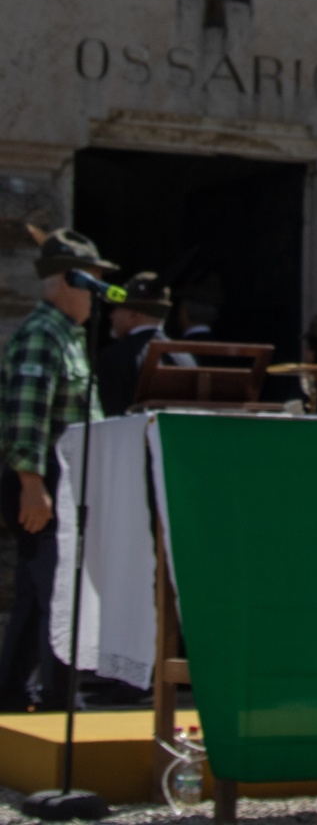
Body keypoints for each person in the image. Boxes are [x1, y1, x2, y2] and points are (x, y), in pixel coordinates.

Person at [0, 227, 117, 710]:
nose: (97, 294)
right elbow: (25, 415)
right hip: (44, 480)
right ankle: (58, 701)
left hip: (64, 481)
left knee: (35, 593)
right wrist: (31, 484)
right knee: (61, 596)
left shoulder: (66, 336)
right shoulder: (42, 336)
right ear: (68, 280)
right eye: (92, 280)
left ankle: (9, 694)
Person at [96, 273, 171, 417]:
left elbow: (109, 421)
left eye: (117, 308)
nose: (111, 315)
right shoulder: (186, 358)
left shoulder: (114, 357)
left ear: (135, 315)